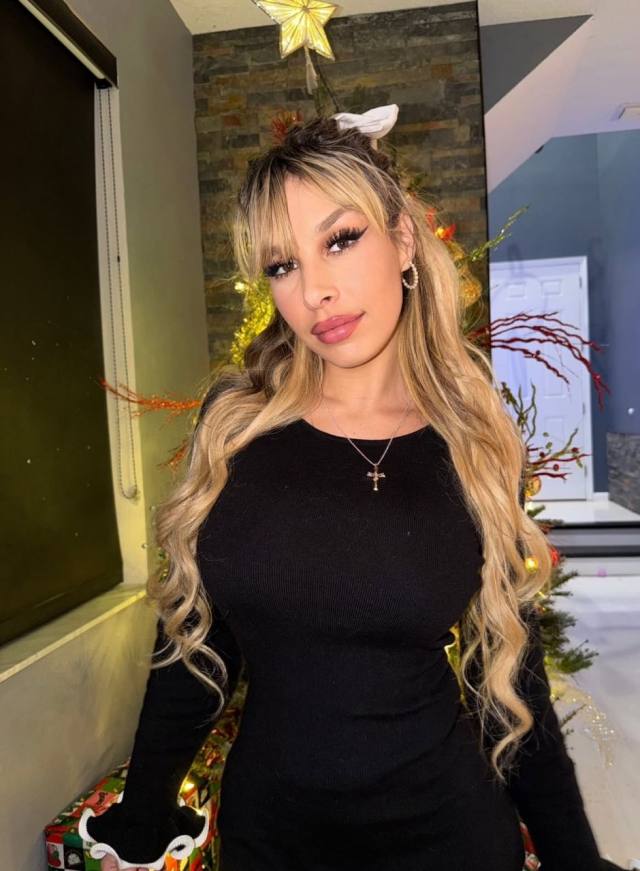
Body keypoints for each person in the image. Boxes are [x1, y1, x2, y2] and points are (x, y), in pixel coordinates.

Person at [79, 105, 623, 871]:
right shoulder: (236, 423)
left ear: (403, 240)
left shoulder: (470, 441)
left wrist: (575, 858)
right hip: (271, 840)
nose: (316, 291)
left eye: (340, 239)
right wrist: (142, 814)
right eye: (283, 264)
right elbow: (196, 640)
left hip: (448, 841)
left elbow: (509, 673)